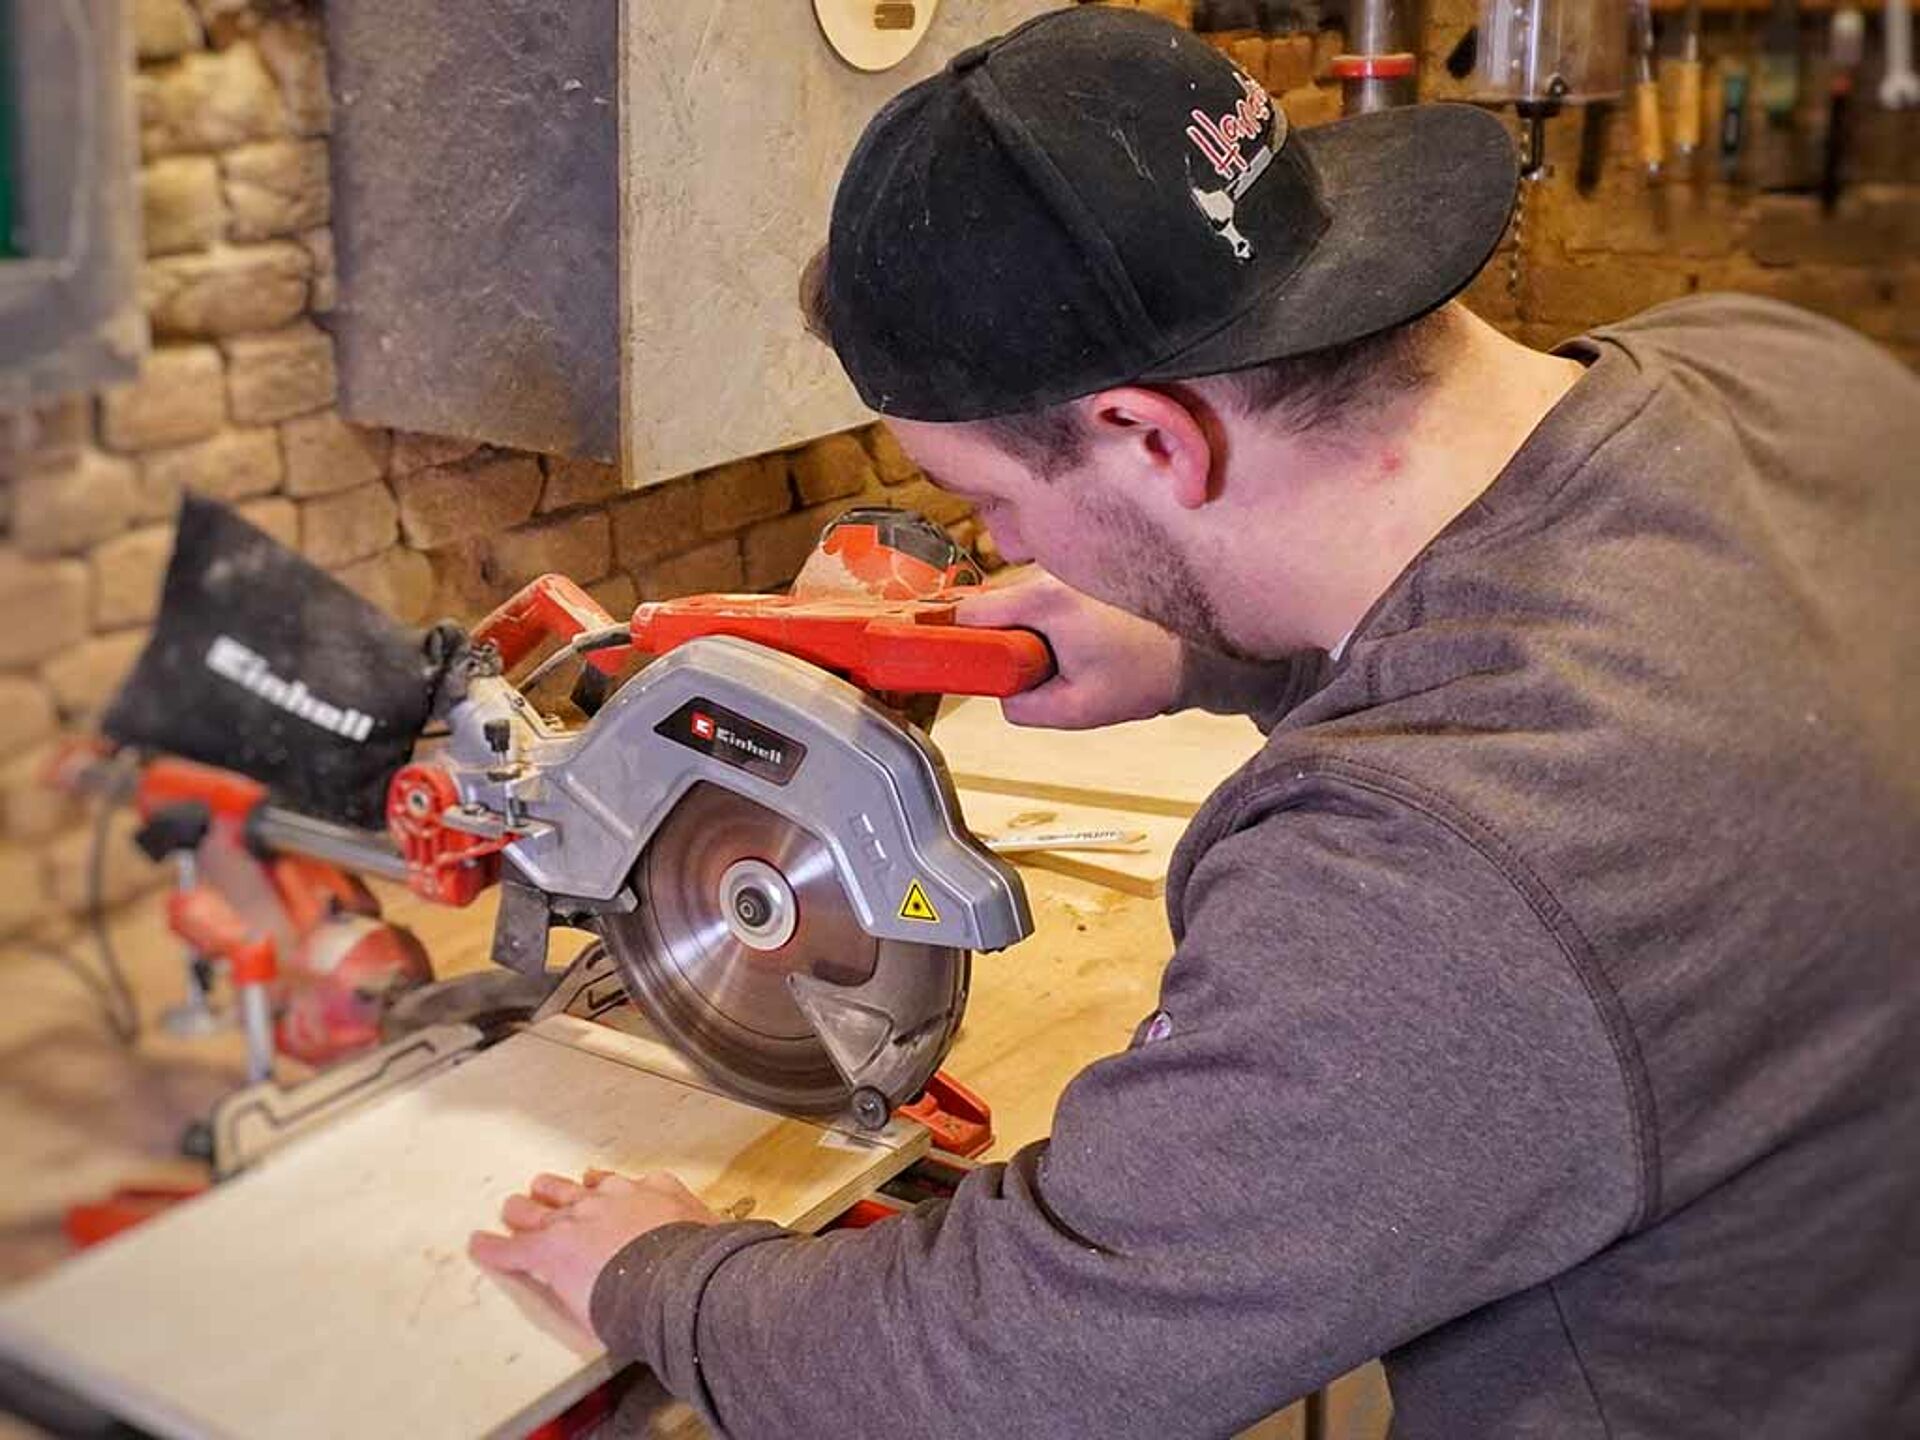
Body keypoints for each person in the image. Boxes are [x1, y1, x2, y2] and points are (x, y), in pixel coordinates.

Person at [469, 9, 1920, 1436]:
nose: (999, 537)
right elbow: (1579, 639)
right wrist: (1201, 647)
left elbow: (1006, 1370)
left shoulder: (1430, 886)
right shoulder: (1775, 376)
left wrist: (655, 1275)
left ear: (1156, 438)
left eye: (989, 503)